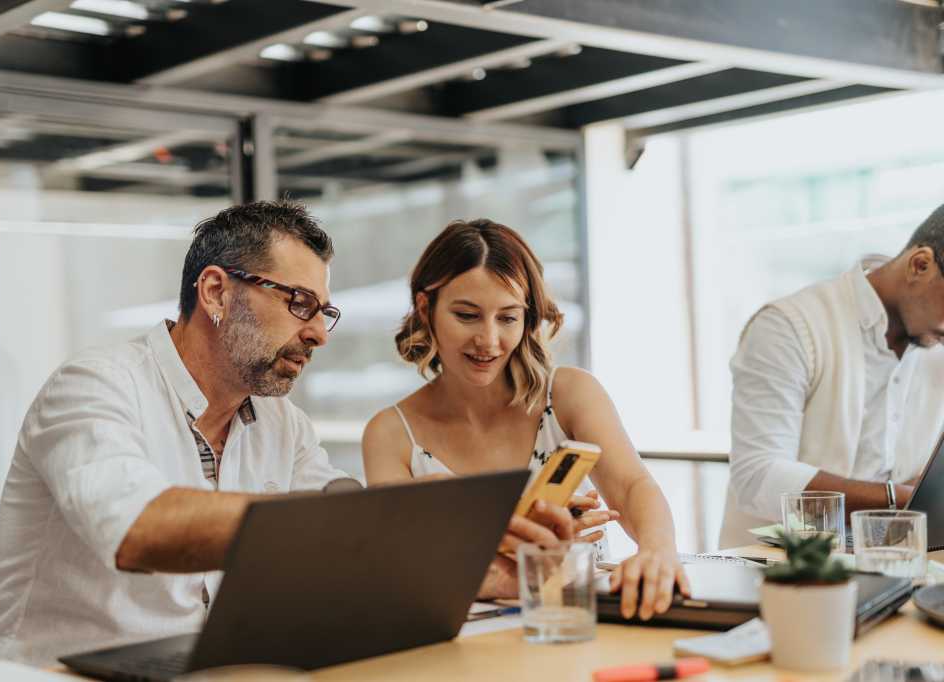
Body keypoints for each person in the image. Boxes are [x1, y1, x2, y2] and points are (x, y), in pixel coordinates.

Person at [0, 200, 573, 666]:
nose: (319, 334)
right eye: (299, 303)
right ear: (215, 293)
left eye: (323, 311)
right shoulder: (94, 386)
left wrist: (467, 564)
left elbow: (345, 512)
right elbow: (138, 530)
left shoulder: (281, 423)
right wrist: (341, 526)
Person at [363, 219, 687, 621]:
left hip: (576, 626)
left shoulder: (571, 394)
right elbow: (399, 564)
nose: (489, 340)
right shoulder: (390, 434)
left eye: (507, 317)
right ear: (426, 309)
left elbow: (633, 485)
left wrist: (657, 551)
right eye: (467, 315)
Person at [720, 203, 944, 548]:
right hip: (779, 577)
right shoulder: (788, 326)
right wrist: (901, 498)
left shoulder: (934, 345)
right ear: (920, 265)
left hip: (896, 569)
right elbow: (757, 476)